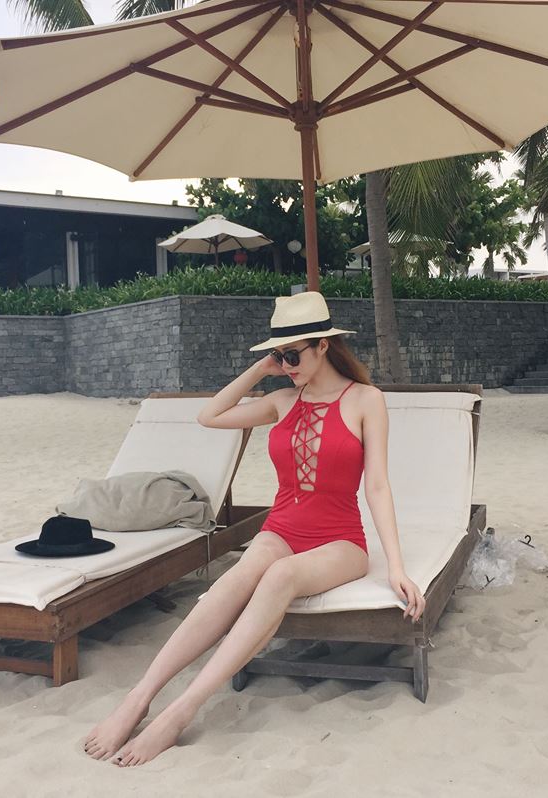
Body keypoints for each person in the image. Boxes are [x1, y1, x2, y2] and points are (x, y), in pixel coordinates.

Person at [84, 291, 424, 767]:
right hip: (281, 528)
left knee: (280, 576)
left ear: (323, 345)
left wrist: (397, 568)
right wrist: (261, 369)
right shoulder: (280, 400)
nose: (287, 365)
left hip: (339, 540)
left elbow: (379, 487)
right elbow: (209, 416)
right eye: (279, 356)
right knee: (240, 575)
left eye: (293, 355)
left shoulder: (367, 400)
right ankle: (139, 697)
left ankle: (182, 710)